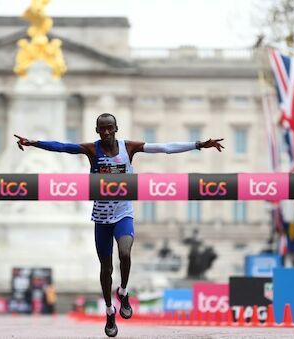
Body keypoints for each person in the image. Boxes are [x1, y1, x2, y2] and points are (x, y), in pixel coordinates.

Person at [14, 113, 224, 337]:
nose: (106, 133)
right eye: (102, 129)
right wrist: (34, 143)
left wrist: (199, 144)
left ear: (116, 129)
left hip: (123, 214)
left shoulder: (129, 148)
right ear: (97, 130)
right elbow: (63, 147)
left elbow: (164, 147)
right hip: (101, 219)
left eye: (109, 128)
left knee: (125, 254)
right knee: (106, 269)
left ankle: (123, 291)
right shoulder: (92, 150)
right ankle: (109, 310)